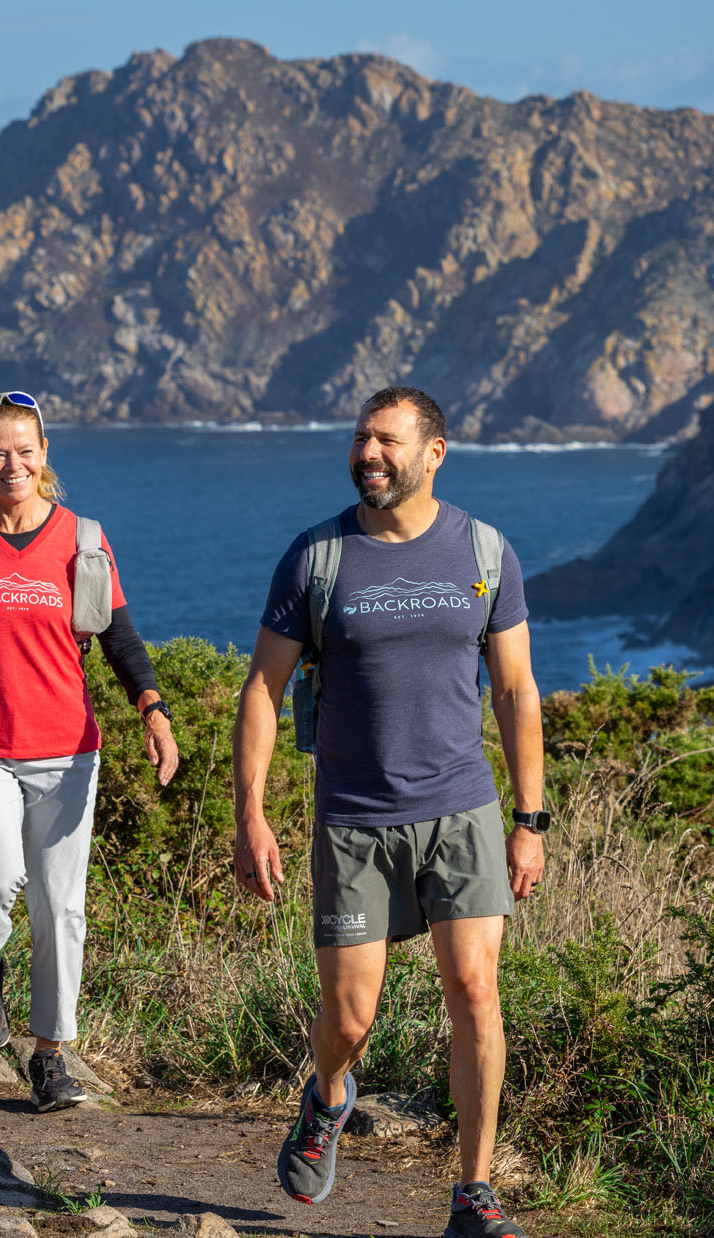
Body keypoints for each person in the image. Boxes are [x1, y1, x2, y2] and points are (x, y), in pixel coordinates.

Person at [232, 386, 546, 1238]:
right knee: (349, 1019)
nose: (368, 453)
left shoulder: (484, 550)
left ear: (434, 452)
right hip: (354, 819)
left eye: (387, 441)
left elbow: (515, 689)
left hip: (462, 809)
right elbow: (263, 688)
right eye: (361, 439)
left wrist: (530, 816)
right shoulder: (316, 558)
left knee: (476, 992)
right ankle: (327, 1097)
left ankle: (473, 1194)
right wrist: (251, 815)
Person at [0, 390, 179, 1112]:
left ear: (44, 455)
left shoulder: (84, 539)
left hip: (67, 750)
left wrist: (155, 712)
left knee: (61, 908)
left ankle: (50, 1057)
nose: (12, 463)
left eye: (25, 449)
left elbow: (119, 638)